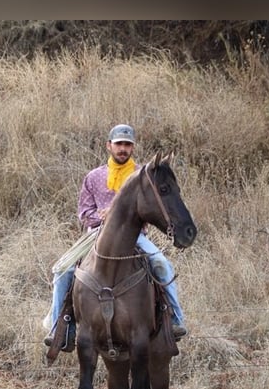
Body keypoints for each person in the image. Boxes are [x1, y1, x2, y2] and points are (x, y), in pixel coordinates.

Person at [44, 123, 188, 350]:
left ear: (133, 147)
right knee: (63, 269)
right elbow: (83, 212)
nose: (123, 149)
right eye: (119, 144)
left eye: (127, 145)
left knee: (161, 263)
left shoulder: (144, 176)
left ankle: (175, 320)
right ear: (109, 146)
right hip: (96, 236)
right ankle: (60, 328)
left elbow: (152, 207)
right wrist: (100, 216)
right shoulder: (94, 177)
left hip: (134, 236)